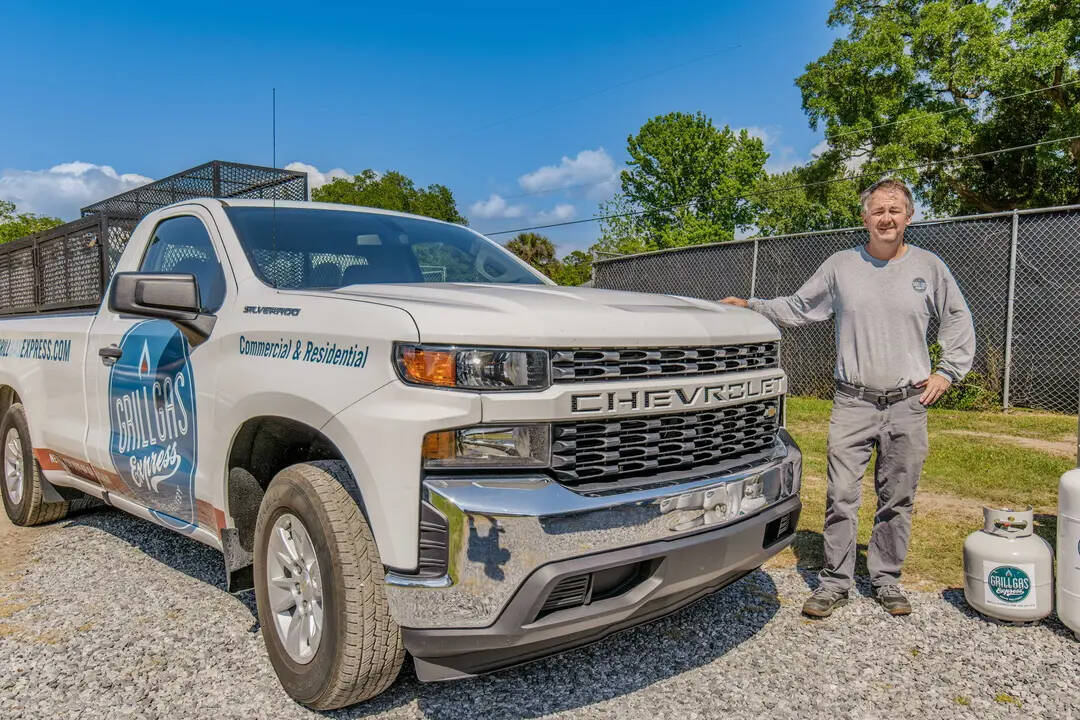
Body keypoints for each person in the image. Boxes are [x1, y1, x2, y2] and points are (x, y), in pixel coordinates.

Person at [721, 178, 974, 617]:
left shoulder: (929, 268)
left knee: (898, 497)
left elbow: (957, 317)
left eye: (895, 209)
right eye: (878, 210)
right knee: (841, 494)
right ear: (865, 218)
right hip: (853, 403)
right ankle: (834, 582)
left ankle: (886, 580)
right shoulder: (841, 266)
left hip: (907, 403)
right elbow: (800, 307)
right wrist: (751, 306)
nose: (887, 217)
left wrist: (947, 372)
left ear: (909, 216)